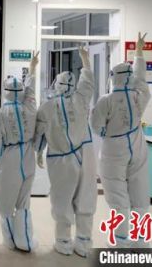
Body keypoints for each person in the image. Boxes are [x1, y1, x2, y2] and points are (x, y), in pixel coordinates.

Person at [90, 33, 151, 249]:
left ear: (113, 77)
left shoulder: (106, 100)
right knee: (140, 191)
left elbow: (96, 125)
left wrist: (109, 131)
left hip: (114, 149)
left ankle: (121, 240)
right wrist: (139, 52)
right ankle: (140, 240)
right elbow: (142, 80)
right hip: (137, 145)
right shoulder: (139, 96)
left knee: (117, 193)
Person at [36, 47, 97, 257]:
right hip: (84, 155)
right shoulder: (81, 99)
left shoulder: (47, 107)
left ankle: (63, 241)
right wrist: (85, 60)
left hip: (60, 159)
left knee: (62, 199)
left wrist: (38, 152)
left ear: (57, 84)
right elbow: (88, 82)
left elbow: (39, 134)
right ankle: (84, 242)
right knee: (85, 196)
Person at [0, 52, 39, 252]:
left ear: (6, 92)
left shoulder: (0, 114)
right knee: (24, 200)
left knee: (6, 201)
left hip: (8, 159)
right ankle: (25, 241)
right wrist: (32, 68)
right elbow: (31, 91)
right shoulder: (30, 108)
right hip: (28, 155)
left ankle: (10, 241)